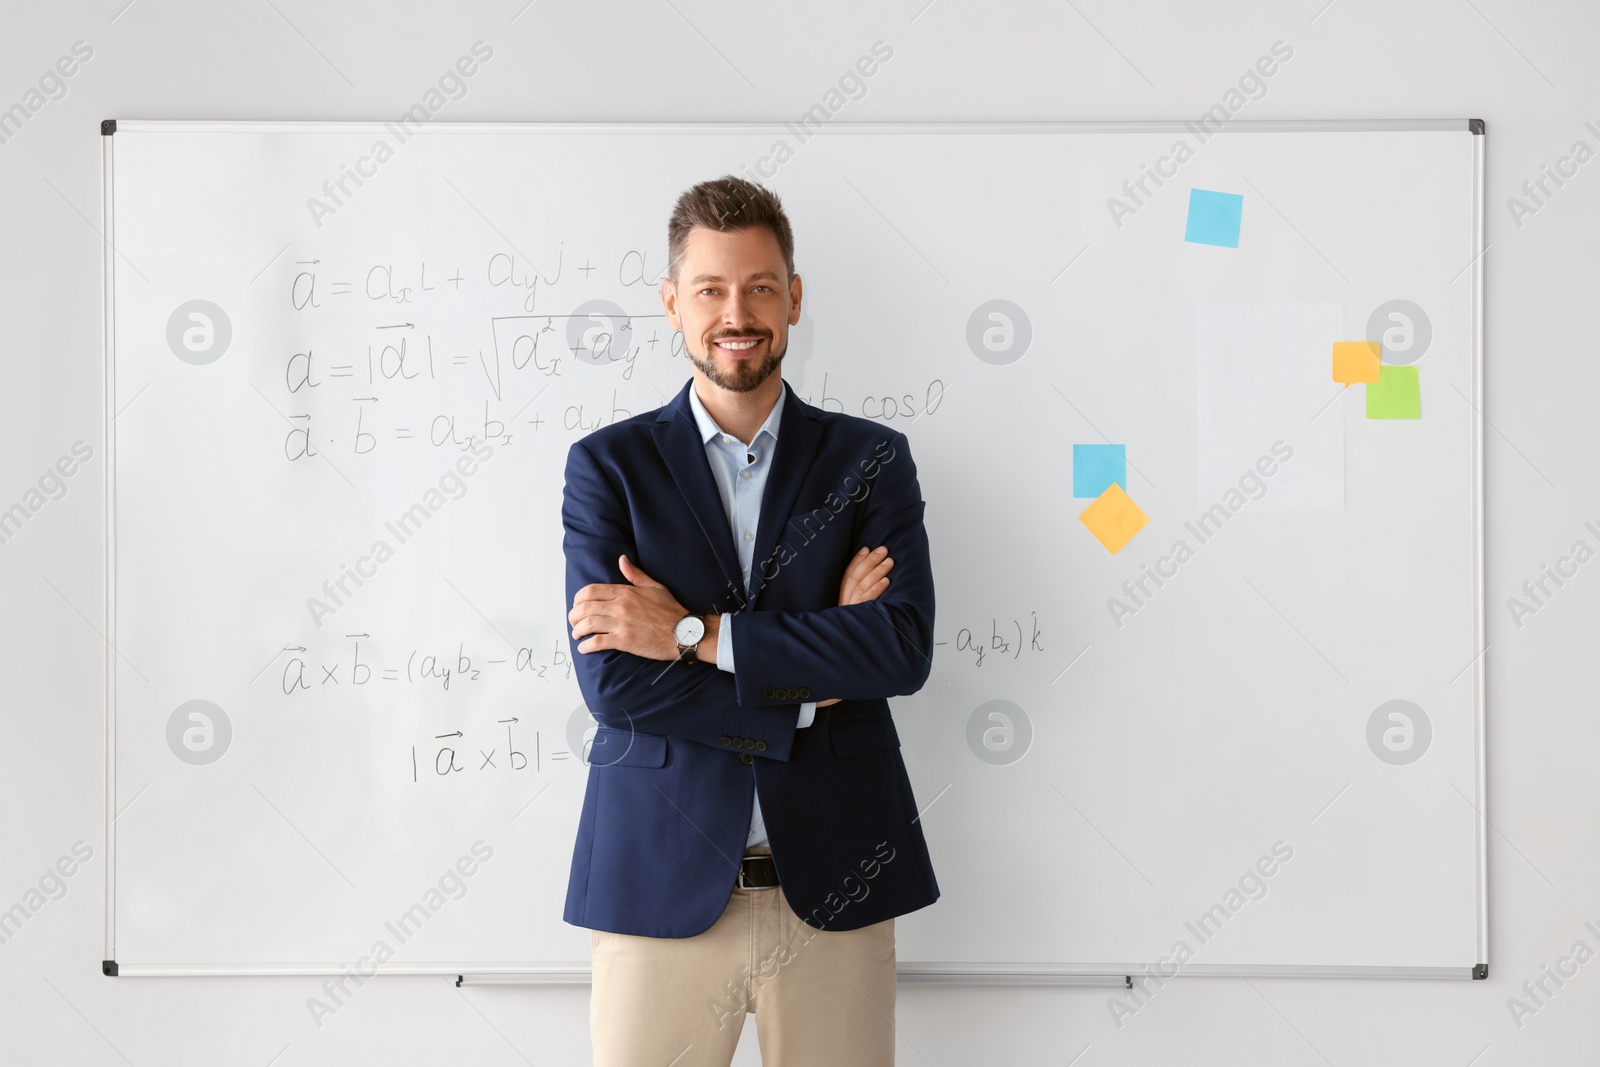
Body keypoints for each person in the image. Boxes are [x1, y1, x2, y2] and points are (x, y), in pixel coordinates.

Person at [562, 175, 939, 1066]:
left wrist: (691, 636)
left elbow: (898, 647)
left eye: (761, 286)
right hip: (655, 886)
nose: (738, 312)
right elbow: (614, 683)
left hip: (838, 883)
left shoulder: (872, 461)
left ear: (795, 298)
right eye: (711, 289)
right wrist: (811, 688)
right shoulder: (607, 467)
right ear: (672, 304)